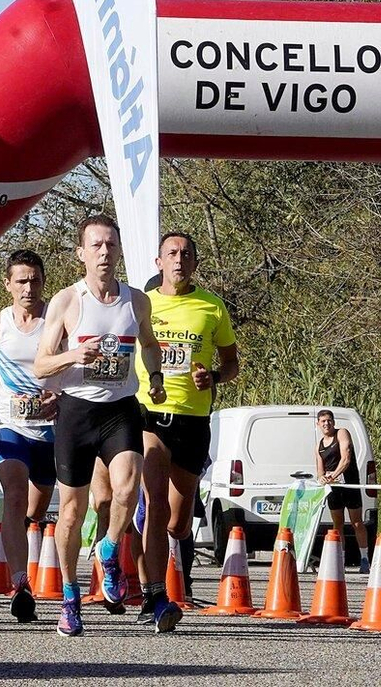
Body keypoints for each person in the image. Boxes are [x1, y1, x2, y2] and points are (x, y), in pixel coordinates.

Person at [34, 215, 170, 637]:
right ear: (81, 254)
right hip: (77, 411)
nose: (104, 252)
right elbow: (41, 365)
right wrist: (74, 357)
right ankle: (71, 597)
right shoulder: (66, 302)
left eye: (110, 245)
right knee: (72, 512)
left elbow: (149, 345)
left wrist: (158, 377)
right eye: (96, 246)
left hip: (120, 407)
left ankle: (109, 547)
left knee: (130, 487)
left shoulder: (136, 301)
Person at [139, 232, 240, 608]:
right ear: (159, 262)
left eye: (186, 254)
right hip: (149, 415)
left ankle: (169, 561)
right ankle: (153, 594)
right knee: (156, 505)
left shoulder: (212, 307)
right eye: (171, 253)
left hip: (193, 418)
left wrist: (212, 377)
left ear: (195, 263)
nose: (179, 259)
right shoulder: (141, 305)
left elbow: (232, 364)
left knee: (178, 522)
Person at [0, 249, 58, 623]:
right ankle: (21, 584)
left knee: (36, 511)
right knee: (16, 496)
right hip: (9, 425)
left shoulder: (58, 319)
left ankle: (19, 537)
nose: (28, 287)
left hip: (51, 430)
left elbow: (72, 367)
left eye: (35, 280)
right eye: (21, 280)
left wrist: (61, 395)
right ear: (8, 284)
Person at [314, 409, 369, 572]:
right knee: (337, 524)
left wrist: (335, 475)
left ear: (333, 422)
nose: (326, 423)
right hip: (334, 489)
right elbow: (319, 470)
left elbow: (346, 458)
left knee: (356, 522)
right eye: (323, 421)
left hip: (349, 485)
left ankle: (364, 559)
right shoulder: (318, 446)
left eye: (329, 420)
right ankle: (340, 560)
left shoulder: (342, 434)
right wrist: (323, 478)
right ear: (318, 424)